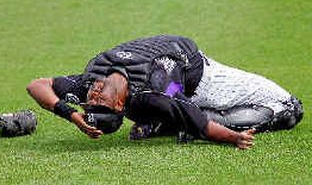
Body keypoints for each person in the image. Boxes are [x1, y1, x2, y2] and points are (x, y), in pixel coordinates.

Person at [26, 35, 303, 149]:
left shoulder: (89, 83)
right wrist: (234, 137)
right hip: (195, 83)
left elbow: (37, 85)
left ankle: (161, 122)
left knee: (290, 108)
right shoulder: (160, 86)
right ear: (121, 104)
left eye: (93, 102)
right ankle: (168, 122)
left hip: (191, 75)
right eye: (99, 103)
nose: (94, 97)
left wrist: (71, 112)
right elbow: (204, 127)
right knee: (288, 107)